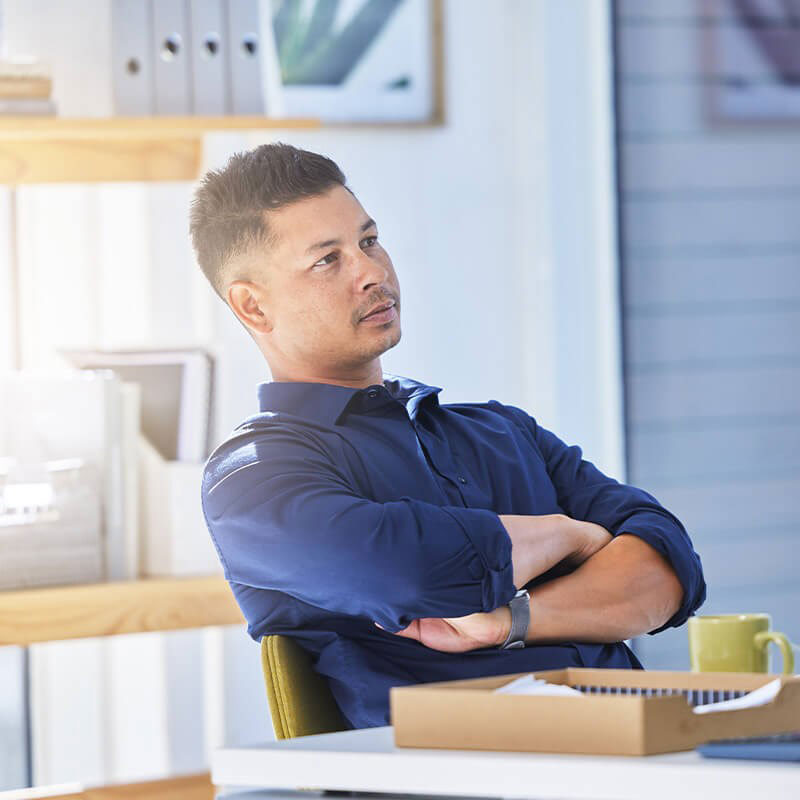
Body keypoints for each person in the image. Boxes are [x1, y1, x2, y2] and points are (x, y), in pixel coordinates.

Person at [189, 142, 706, 729]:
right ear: (253, 307)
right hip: (464, 777)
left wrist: (510, 619)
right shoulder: (254, 477)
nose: (373, 272)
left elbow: (670, 569)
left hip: (651, 753)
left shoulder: (502, 431)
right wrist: (565, 534)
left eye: (368, 240)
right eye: (327, 260)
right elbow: (404, 571)